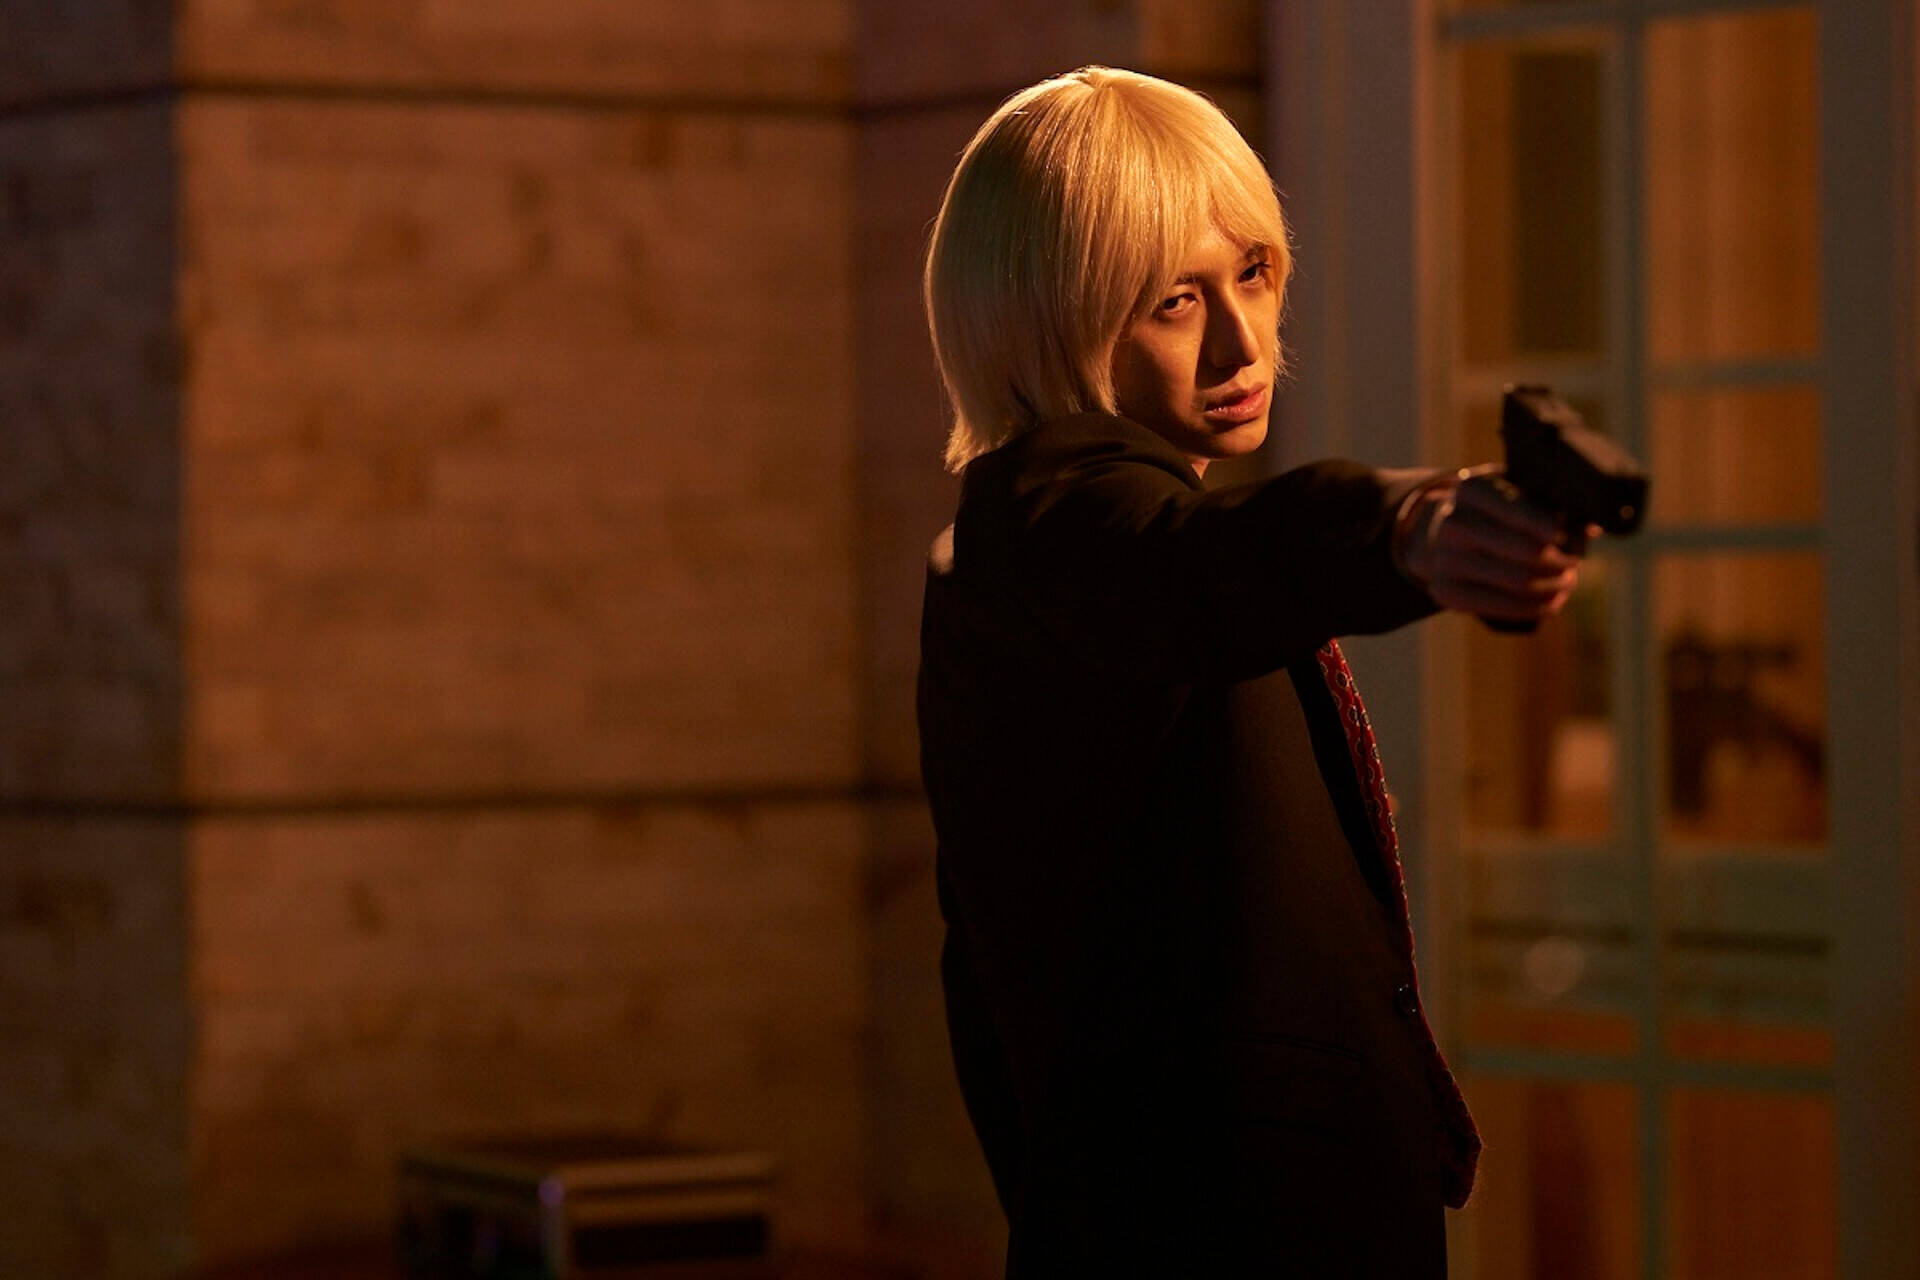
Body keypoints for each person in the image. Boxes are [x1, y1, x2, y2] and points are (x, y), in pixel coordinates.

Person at [916, 67, 1586, 1276]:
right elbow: (1203, 565)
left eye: (1255, 273)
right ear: (1044, 317)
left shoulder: (1047, 539)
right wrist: (1404, 528)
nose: (1243, 342)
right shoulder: (1049, 524)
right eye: (1175, 300)